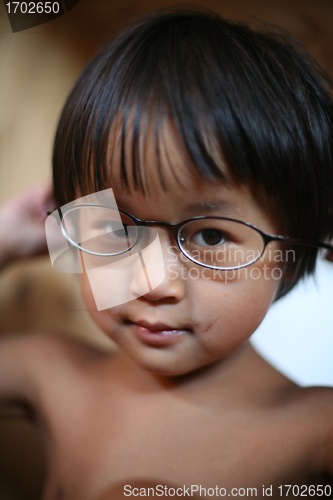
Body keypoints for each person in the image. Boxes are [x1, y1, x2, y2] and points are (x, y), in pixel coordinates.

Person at [1, 9, 333, 500]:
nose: (152, 284)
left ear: (298, 247)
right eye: (115, 228)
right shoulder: (53, 373)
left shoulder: (312, 430)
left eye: (211, 237)